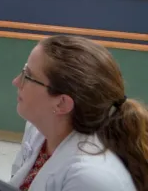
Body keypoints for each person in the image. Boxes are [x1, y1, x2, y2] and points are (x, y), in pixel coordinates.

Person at [10, 35, 148, 191]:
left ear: (62, 103)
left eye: (28, 76)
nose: (16, 81)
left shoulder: (91, 178)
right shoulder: (39, 130)